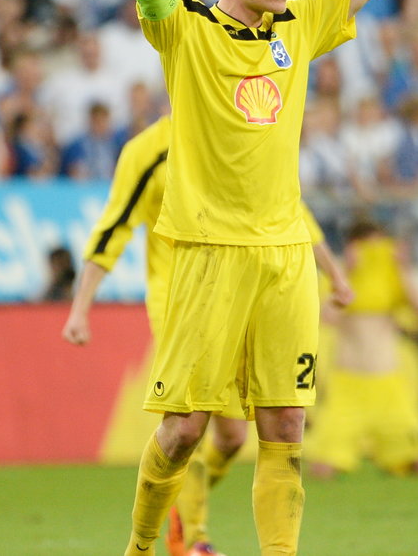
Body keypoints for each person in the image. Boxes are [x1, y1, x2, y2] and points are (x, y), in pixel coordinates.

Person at [79, 0, 418, 552]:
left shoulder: (298, 28)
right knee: (183, 429)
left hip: (286, 257)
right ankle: (143, 546)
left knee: (285, 427)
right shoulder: (183, 28)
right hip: (208, 253)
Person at [61, 114, 352, 556]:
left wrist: (333, 272)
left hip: (250, 288)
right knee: (186, 428)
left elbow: (290, 209)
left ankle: (181, 507)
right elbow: (114, 225)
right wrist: (81, 306)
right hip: (182, 299)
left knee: (233, 438)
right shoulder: (148, 149)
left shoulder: (239, 129)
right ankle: (192, 538)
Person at [306, 217, 418, 479]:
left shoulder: (393, 278)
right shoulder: (341, 278)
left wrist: (403, 269)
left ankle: (390, 462)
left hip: (389, 384)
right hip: (348, 384)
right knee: (322, 468)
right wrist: (349, 273)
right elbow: (324, 317)